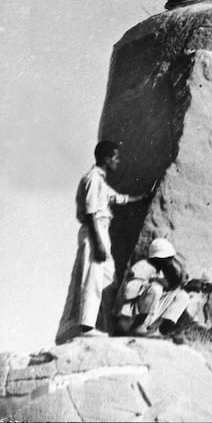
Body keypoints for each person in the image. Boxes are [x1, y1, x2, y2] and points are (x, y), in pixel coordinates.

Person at [56, 141, 149, 343]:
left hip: (101, 232)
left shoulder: (100, 181)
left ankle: (109, 326)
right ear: (106, 159)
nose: (117, 161)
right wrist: (97, 243)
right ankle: (87, 326)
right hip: (94, 232)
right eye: (115, 157)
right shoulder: (92, 179)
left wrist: (141, 198)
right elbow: (90, 213)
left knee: (109, 280)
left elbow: (116, 198)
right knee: (93, 278)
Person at [115, 237, 211, 336]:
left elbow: (169, 289)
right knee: (156, 289)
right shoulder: (142, 267)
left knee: (182, 296)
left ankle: (160, 331)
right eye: (167, 258)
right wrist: (153, 283)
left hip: (148, 315)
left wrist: (186, 285)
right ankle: (136, 328)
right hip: (129, 317)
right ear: (158, 258)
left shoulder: (161, 270)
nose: (171, 261)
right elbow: (128, 293)